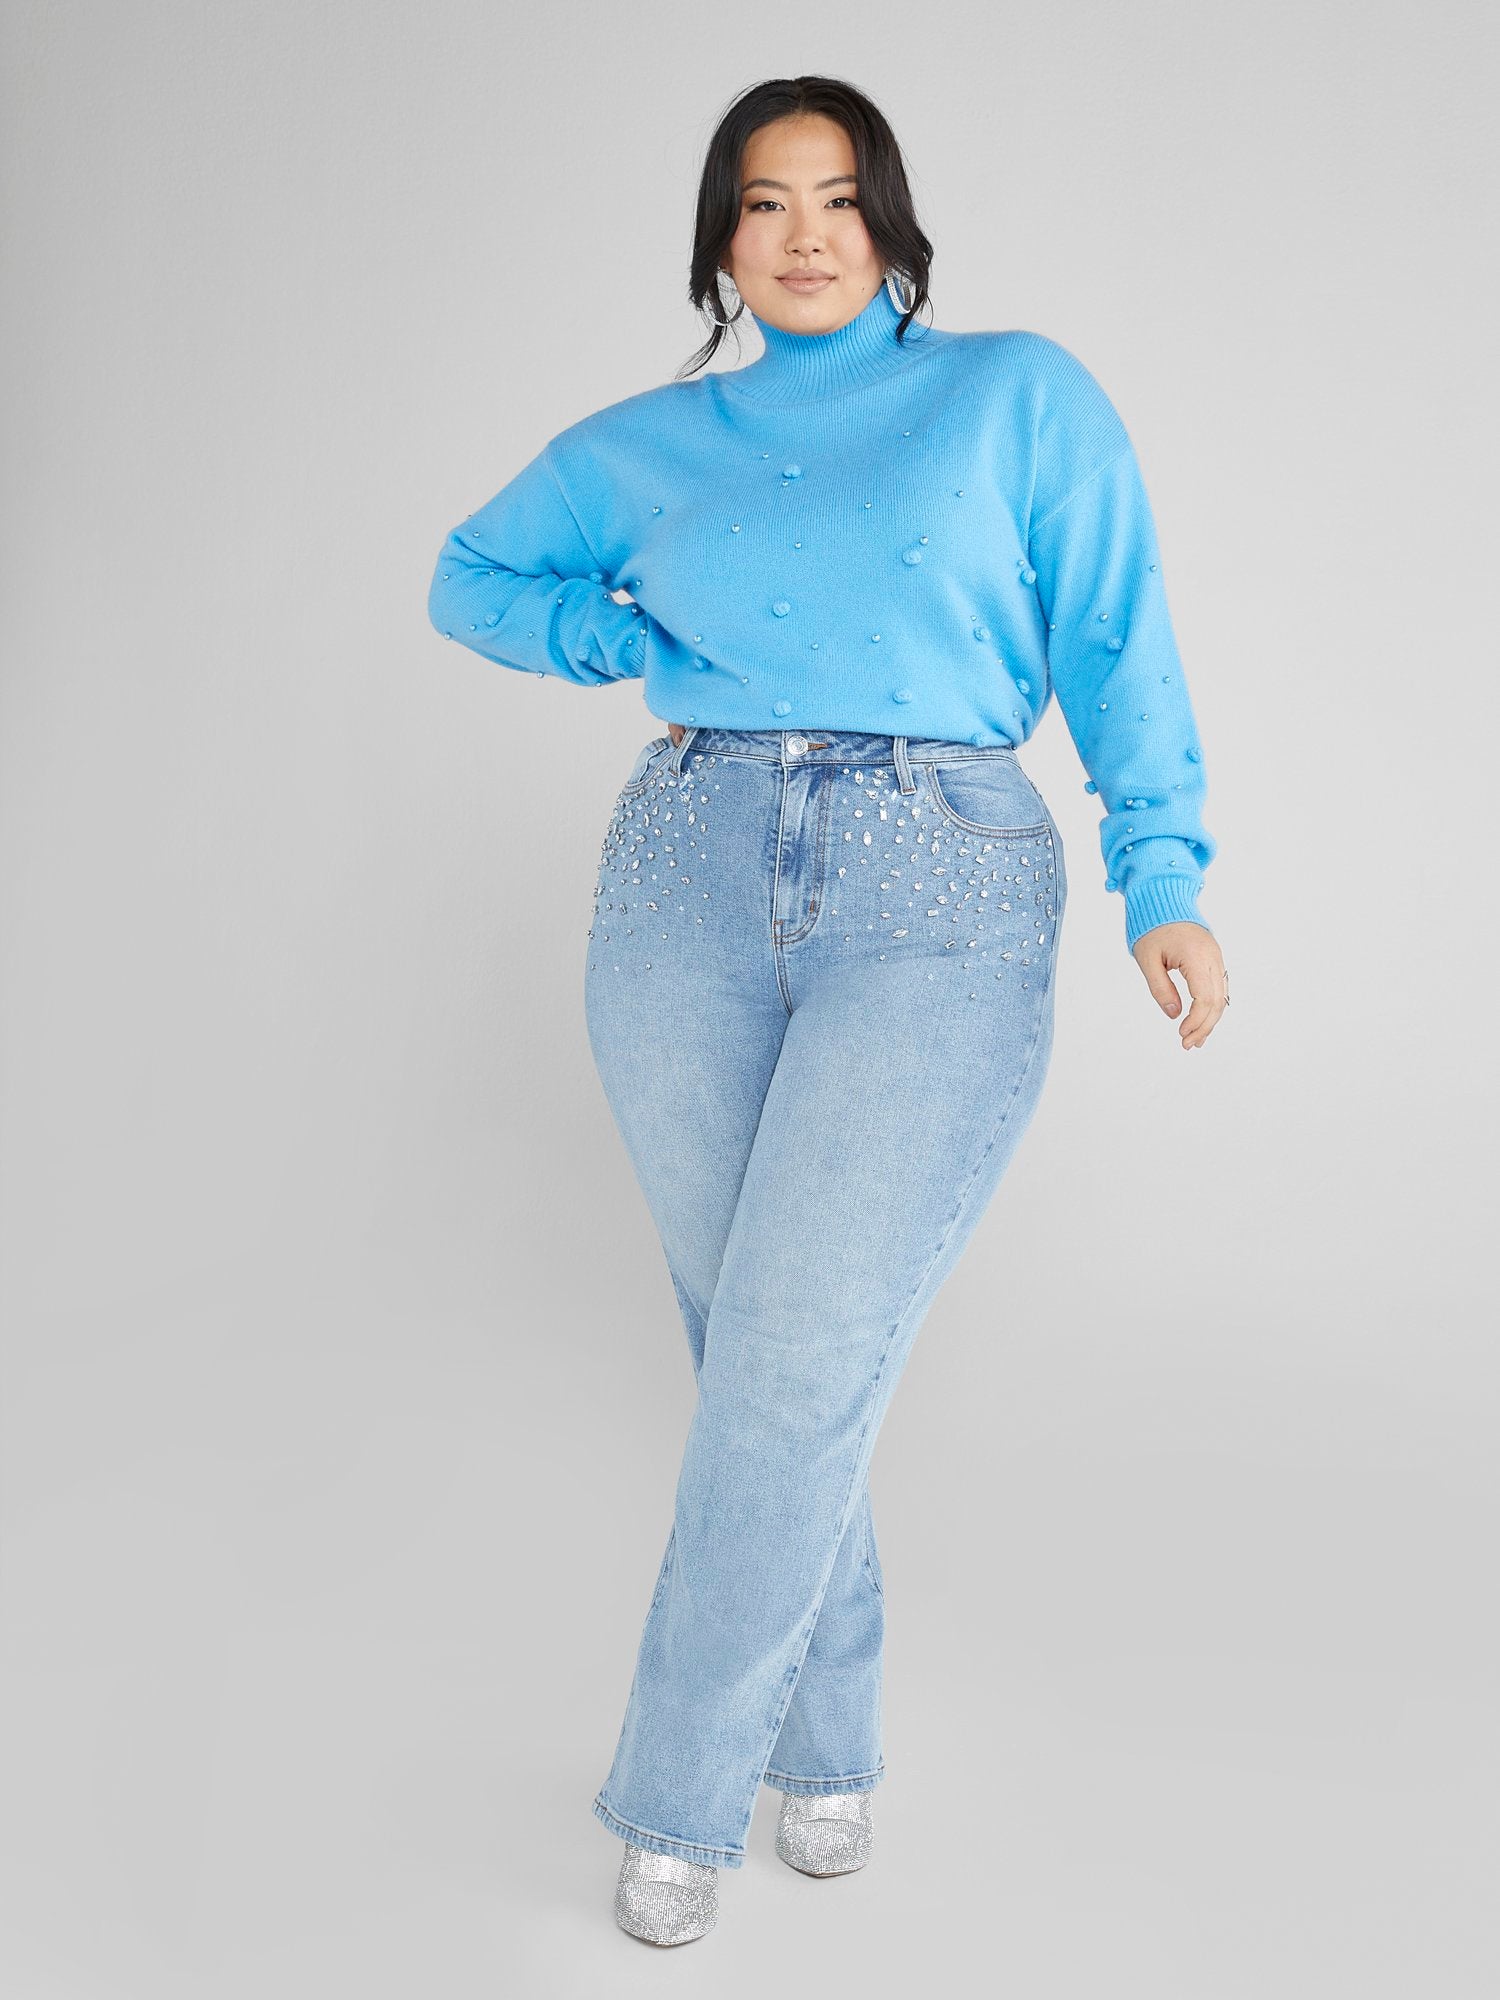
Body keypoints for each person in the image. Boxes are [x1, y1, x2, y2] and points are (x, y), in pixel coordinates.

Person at [428, 74, 1229, 1948]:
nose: (805, 234)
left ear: (892, 223)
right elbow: (470, 576)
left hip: (939, 878)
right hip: (685, 882)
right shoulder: (656, 441)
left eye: (841, 198)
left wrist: (1165, 874)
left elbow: (1115, 632)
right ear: (721, 236)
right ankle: (829, 1740)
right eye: (767, 202)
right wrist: (614, 637)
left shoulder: (1017, 397)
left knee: (793, 1355)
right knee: (760, 1356)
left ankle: (679, 1796)